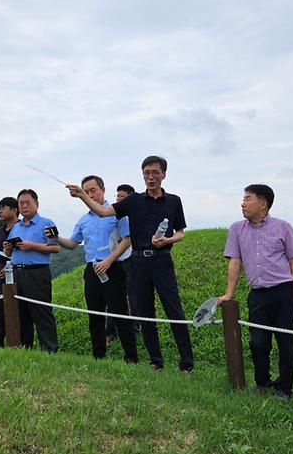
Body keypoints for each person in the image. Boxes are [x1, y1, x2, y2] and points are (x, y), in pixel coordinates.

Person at [66, 156, 194, 372]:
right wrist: (81, 196)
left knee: (174, 311)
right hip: (137, 261)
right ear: (142, 175)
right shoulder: (133, 201)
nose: (151, 177)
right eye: (146, 173)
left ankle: (186, 363)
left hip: (162, 260)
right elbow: (104, 211)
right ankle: (156, 361)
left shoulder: (174, 201)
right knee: (145, 312)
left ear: (163, 174)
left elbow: (180, 233)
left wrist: (168, 240)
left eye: (155, 172)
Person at [217, 184, 293, 400]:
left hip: (283, 292)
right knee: (258, 342)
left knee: (285, 342)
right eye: (243, 199)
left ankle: (284, 388)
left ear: (263, 203)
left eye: (247, 199)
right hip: (257, 294)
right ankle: (262, 381)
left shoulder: (283, 227)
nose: (242, 203)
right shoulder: (237, 229)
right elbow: (234, 263)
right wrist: (229, 293)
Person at [56, 175, 138, 363]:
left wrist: (108, 261)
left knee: (120, 315)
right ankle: (98, 356)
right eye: (87, 191)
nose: (91, 195)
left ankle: (131, 358)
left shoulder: (117, 213)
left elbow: (127, 240)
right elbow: (72, 243)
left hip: (113, 268)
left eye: (93, 190)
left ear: (103, 190)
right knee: (95, 315)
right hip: (91, 270)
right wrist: (55, 237)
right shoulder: (83, 220)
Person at [3, 189, 59, 353]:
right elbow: (9, 253)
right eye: (21, 203)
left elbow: (55, 247)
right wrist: (7, 249)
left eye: (28, 202)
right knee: (21, 314)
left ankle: (49, 350)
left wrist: (31, 246)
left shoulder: (47, 223)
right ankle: (24, 349)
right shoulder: (16, 227)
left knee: (42, 312)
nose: (24, 206)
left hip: (37, 273)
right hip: (17, 273)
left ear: (37, 204)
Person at [105, 183, 140, 341]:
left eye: (122, 197)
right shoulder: (113, 216)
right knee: (113, 297)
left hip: (130, 260)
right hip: (113, 261)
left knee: (132, 296)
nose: (119, 200)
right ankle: (111, 331)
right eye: (117, 197)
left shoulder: (134, 216)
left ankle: (135, 326)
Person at [0, 197, 19, 348]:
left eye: (3, 207)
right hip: (0, 280)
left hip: (18, 278)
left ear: (14, 210)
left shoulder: (21, 228)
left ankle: (20, 346)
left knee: (19, 314)